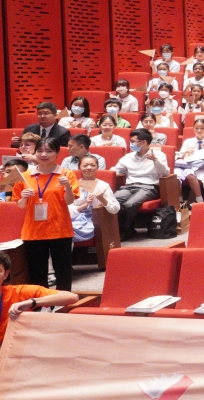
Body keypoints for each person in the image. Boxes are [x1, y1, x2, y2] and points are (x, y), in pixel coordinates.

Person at [9, 138, 80, 290]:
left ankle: (63, 301)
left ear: (57, 153)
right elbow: (20, 205)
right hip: (33, 231)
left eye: (49, 151)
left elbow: (69, 201)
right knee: (37, 272)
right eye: (40, 151)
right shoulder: (25, 176)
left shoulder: (66, 174)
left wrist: (67, 187)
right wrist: (24, 198)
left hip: (60, 229)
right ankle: (41, 302)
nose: (43, 154)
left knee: (63, 270)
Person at [1, 249, 80, 343]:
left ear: (6, 274)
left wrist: (32, 302)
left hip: (13, 347)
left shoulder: (19, 292)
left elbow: (72, 297)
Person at [111, 128, 171, 242]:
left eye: (133, 141)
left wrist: (155, 161)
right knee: (113, 200)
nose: (131, 144)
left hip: (149, 187)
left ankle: (127, 230)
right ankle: (117, 230)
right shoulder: (128, 157)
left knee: (130, 204)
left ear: (143, 142)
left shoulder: (159, 155)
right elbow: (115, 170)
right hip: (129, 186)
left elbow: (165, 173)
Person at [68, 155, 119, 244]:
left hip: (94, 220)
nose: (89, 168)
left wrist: (102, 199)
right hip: (73, 217)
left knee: (69, 230)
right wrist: (84, 205)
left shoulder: (103, 185)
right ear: (79, 167)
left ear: (97, 167)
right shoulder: (73, 185)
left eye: (92, 165)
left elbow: (115, 209)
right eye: (85, 165)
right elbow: (67, 208)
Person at [174, 118, 204, 207]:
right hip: (189, 164)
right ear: (193, 129)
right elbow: (181, 155)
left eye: (202, 128)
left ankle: (199, 199)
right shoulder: (188, 141)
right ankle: (179, 200)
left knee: (192, 171)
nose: (199, 130)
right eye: (196, 128)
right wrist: (186, 152)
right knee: (178, 174)